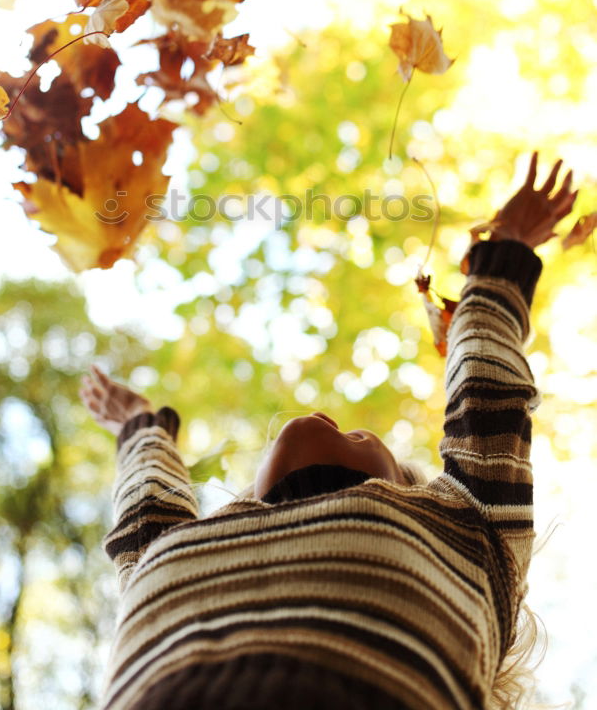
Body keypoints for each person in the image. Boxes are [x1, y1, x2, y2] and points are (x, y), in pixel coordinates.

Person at [81, 152, 577, 710]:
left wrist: (138, 426)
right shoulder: (471, 531)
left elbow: (146, 502)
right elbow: (488, 392)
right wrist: (504, 255)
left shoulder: (468, 532)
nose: (328, 420)